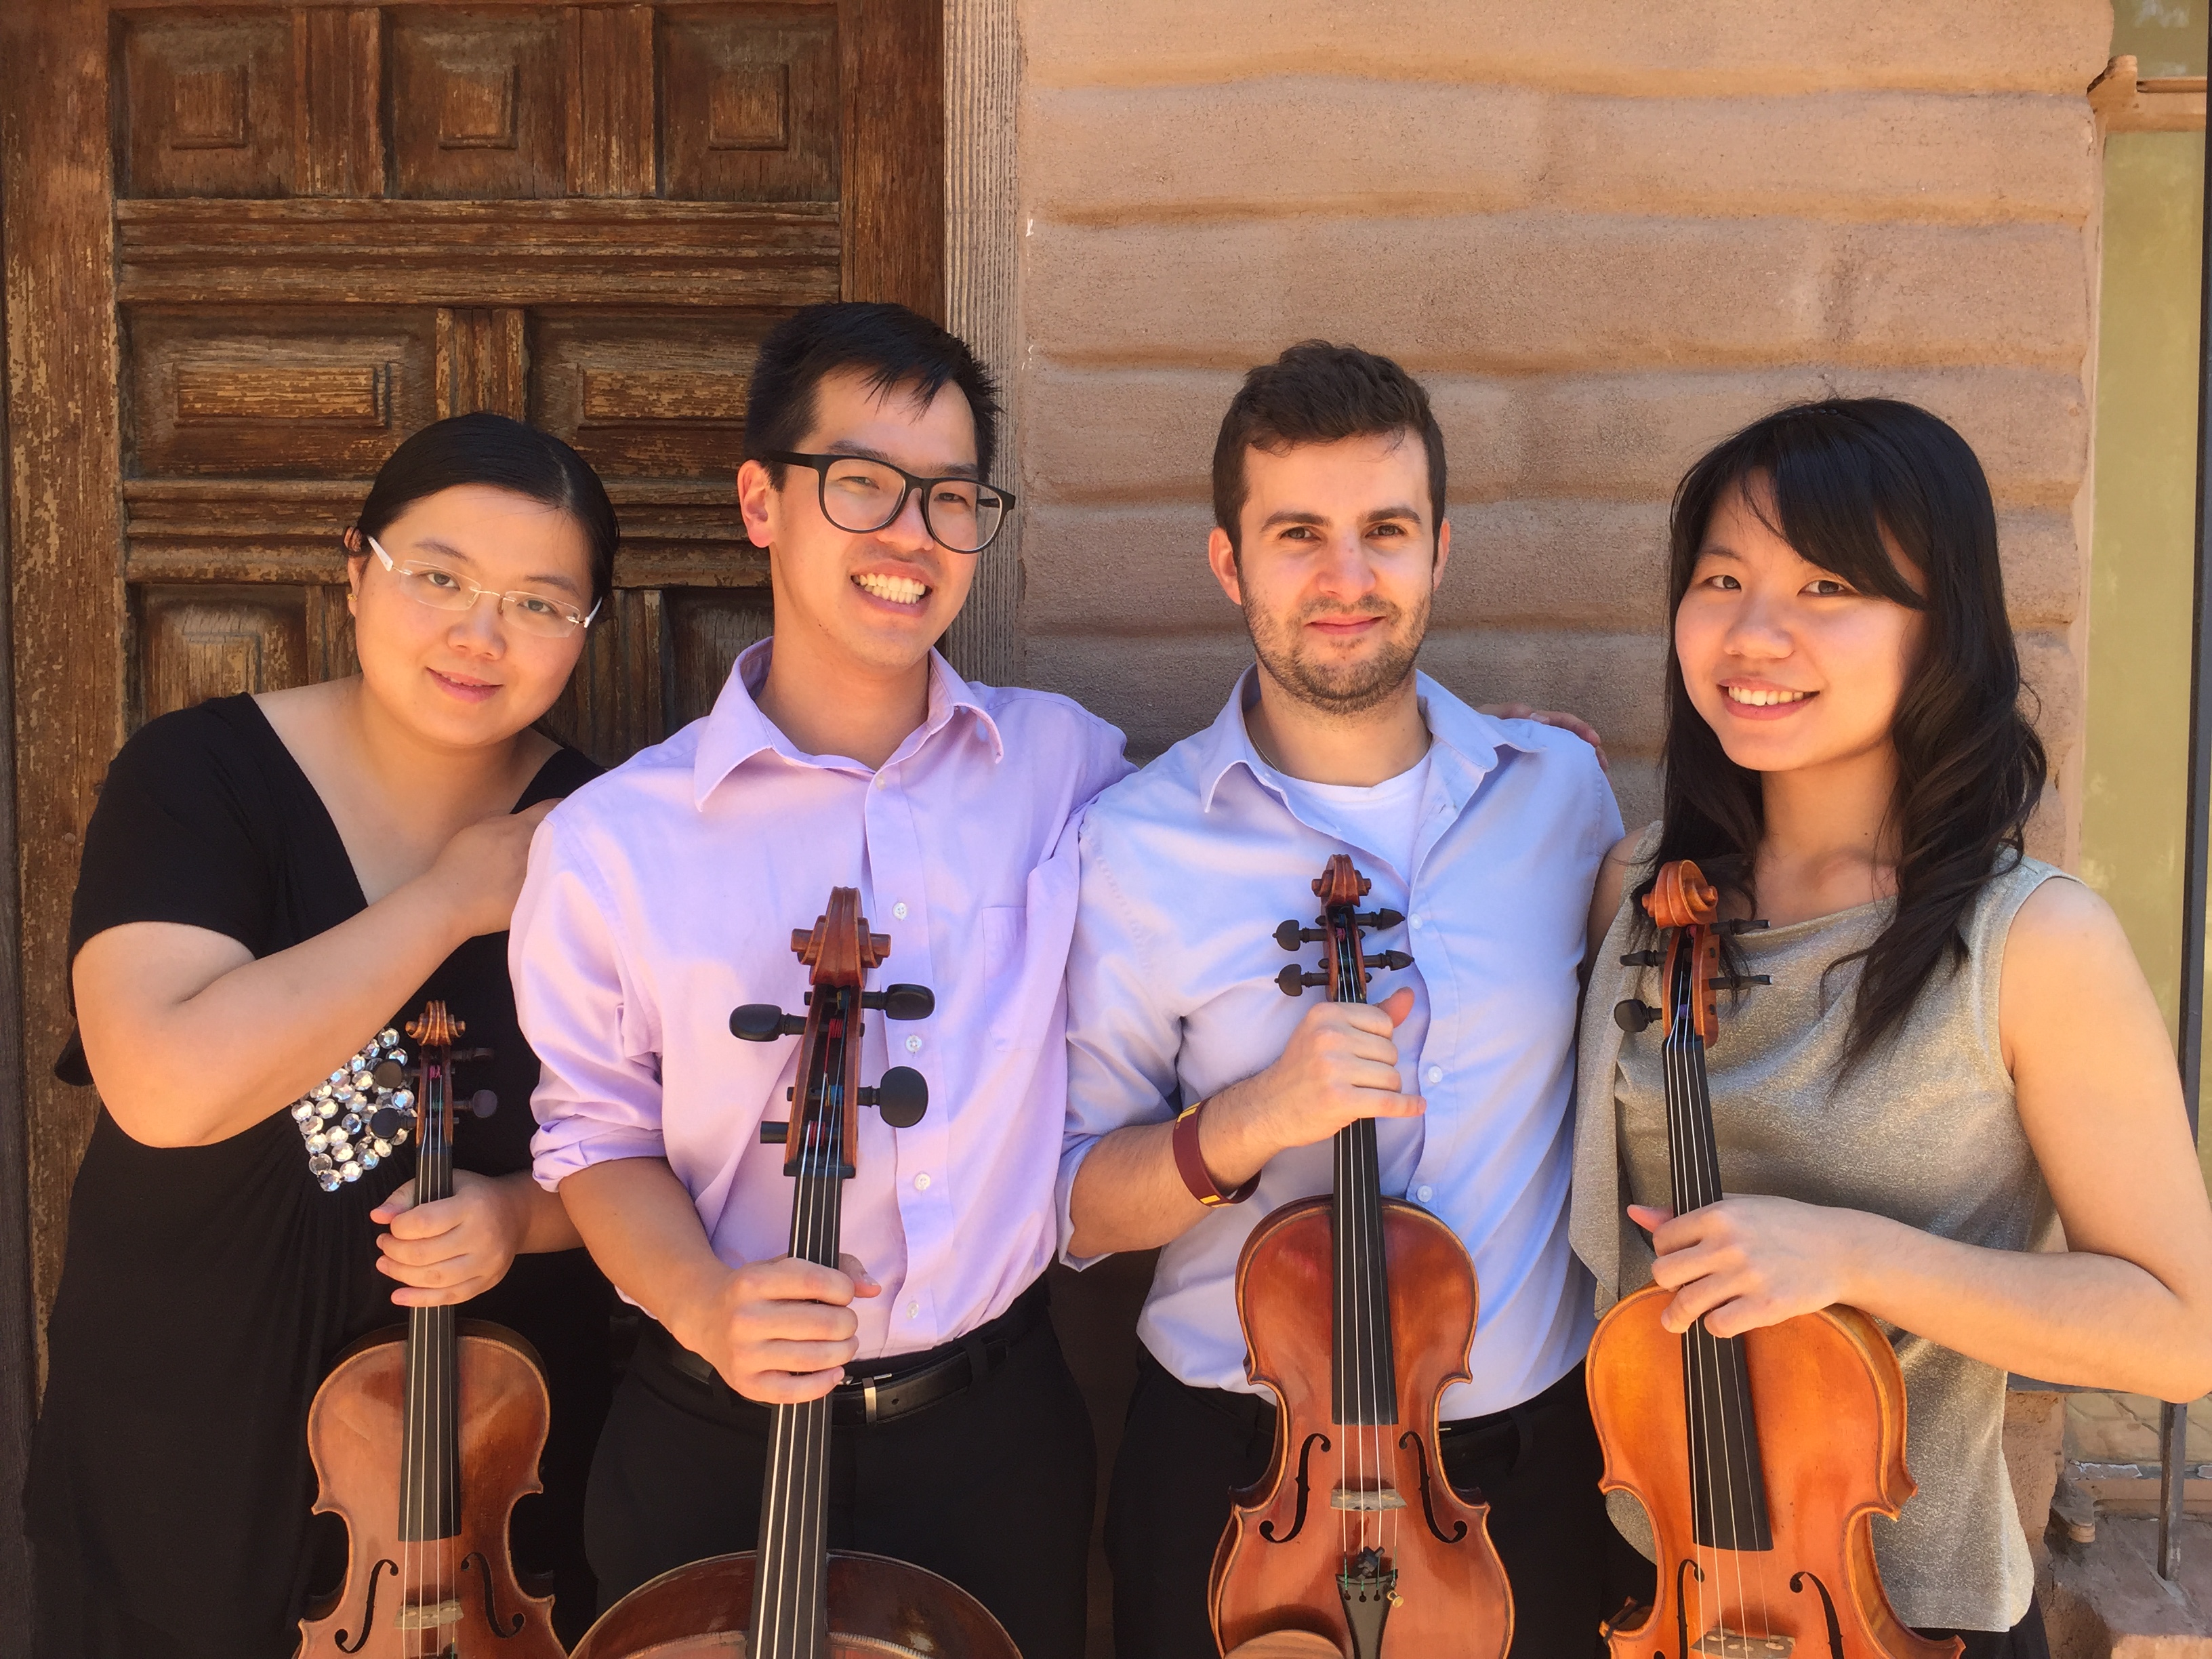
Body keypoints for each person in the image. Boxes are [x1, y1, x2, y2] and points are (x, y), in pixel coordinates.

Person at [511, 300, 1128, 1659]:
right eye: (863, 485)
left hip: (991, 1431)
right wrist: (702, 1302)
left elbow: (1234, 845)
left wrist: (1480, 755)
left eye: (952, 499)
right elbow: (598, 1139)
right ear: (761, 501)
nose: (912, 536)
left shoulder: (1068, 766)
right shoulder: (615, 840)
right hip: (705, 1430)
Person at [1572, 398, 2212, 1658]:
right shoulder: (1642, 889)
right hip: (1656, 1588)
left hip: (1903, 1618)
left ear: (1943, 631)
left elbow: (2182, 1334)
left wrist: (1855, 1256)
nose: (1757, 633)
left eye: (1827, 586)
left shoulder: (2032, 943)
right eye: (1722, 579)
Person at [1060, 340, 1647, 1659]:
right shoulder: (1134, 845)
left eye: (1385, 530)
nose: (1346, 579)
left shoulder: (1559, 793)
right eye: (1297, 536)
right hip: (1241, 1464)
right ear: (1230, 563)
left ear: (1440, 549)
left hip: (1525, 1459)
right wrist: (1250, 1118)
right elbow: (1074, 1206)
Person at [28, 413, 621, 1658]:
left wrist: (518, 1216)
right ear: (355, 568)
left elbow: (682, 1152)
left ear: (586, 631)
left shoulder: (614, 834)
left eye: (538, 603)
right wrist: (452, 899)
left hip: (479, 1459)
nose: (479, 633)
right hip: (187, 1406)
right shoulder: (195, 777)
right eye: (439, 578)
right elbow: (165, 1089)